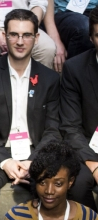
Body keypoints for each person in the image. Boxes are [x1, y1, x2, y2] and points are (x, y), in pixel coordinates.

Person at [0, 10, 95, 220]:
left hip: (37, 149)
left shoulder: (49, 79)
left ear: (36, 38)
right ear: (6, 35)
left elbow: (53, 128)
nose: (20, 41)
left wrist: (33, 160)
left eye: (27, 35)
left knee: (59, 186)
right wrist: (6, 161)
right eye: (14, 34)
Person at [61, 9, 98, 204]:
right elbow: (70, 126)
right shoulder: (75, 69)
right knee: (77, 183)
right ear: (91, 38)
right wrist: (94, 165)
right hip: (88, 148)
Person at [43, 0, 95, 72]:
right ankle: (72, 77)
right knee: (85, 28)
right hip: (62, 11)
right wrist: (55, 40)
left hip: (93, 10)